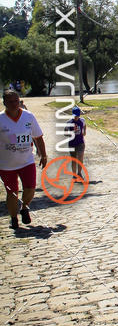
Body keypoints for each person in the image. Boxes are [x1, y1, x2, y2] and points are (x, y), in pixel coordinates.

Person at [0, 89, 47, 230]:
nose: (14, 104)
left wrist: (43, 155)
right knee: (12, 193)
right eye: (10, 102)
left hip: (26, 161)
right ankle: (14, 219)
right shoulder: (1, 119)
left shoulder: (28, 116)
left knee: (30, 189)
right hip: (6, 164)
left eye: (16, 101)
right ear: (4, 103)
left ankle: (25, 207)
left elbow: (38, 137)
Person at [65, 106, 86, 176]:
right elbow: (65, 133)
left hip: (81, 143)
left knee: (80, 158)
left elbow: (85, 125)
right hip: (72, 143)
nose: (76, 117)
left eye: (77, 116)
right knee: (74, 160)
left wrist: (84, 131)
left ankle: (79, 173)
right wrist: (71, 133)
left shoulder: (82, 120)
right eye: (74, 116)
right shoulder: (69, 122)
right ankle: (74, 174)